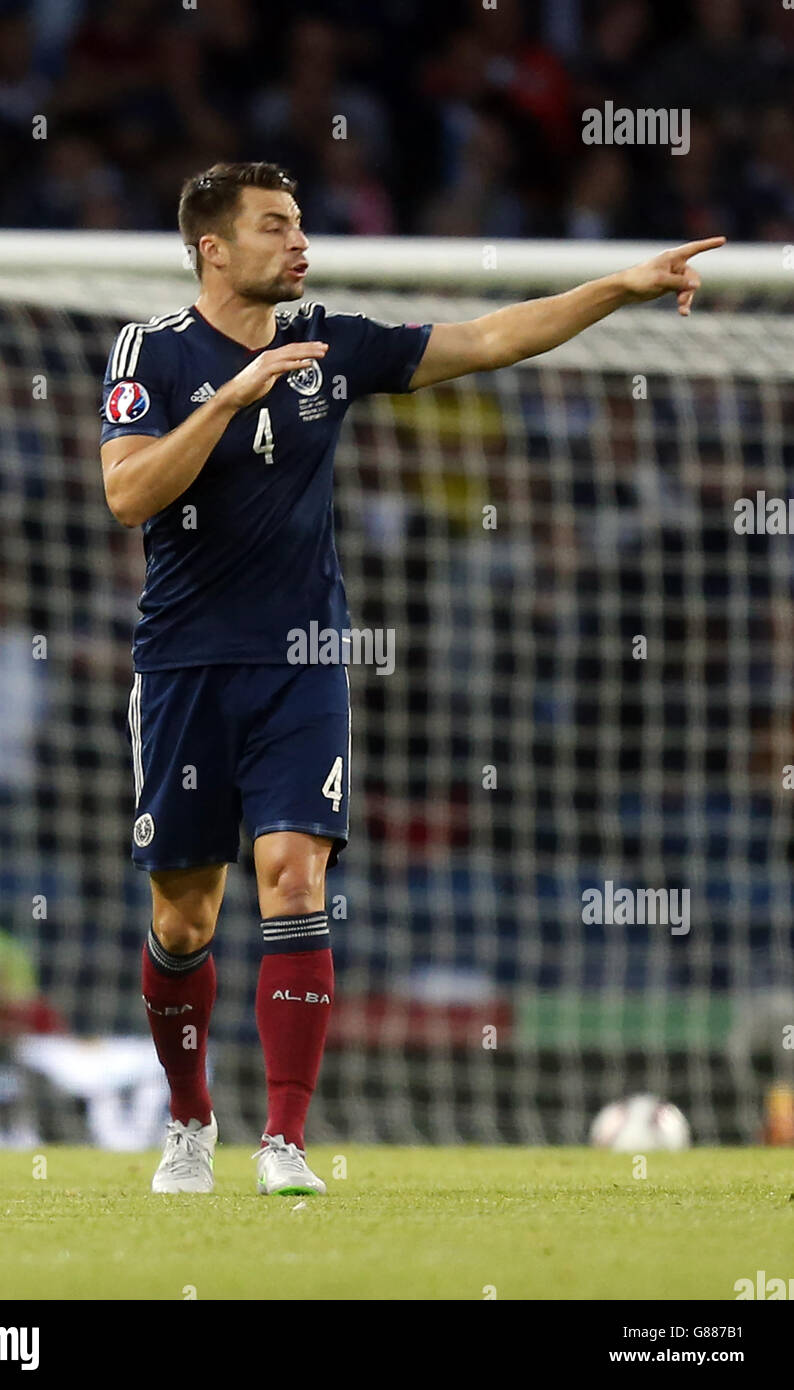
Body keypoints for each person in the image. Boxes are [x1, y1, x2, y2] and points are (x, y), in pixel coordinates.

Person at [99, 159, 723, 1195]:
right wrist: (230, 400)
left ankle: (284, 1141)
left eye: (301, 224)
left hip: (303, 662)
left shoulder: (334, 344)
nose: (301, 243)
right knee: (183, 918)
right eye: (274, 226)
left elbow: (487, 338)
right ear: (212, 245)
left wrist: (620, 286)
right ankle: (189, 1119)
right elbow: (127, 494)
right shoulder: (151, 352)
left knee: (296, 876)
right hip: (183, 666)